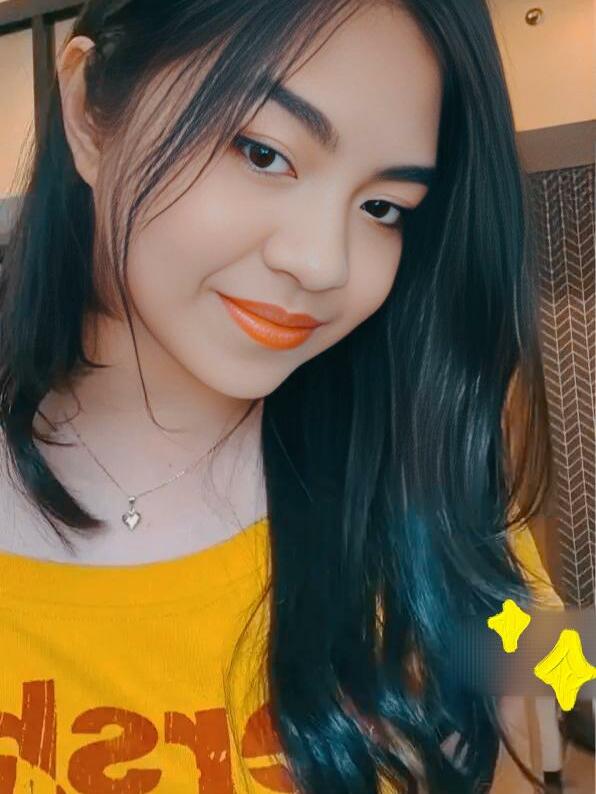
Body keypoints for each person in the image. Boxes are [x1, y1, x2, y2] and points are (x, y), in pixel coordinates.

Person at [0, 1, 563, 792]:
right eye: (264, 153)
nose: (323, 262)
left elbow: (551, 727)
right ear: (90, 110)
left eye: (382, 208)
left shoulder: (433, 517)